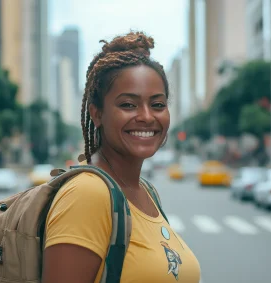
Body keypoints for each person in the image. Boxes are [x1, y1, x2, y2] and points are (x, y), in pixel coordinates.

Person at [42, 31, 200, 282]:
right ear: (97, 114)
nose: (147, 116)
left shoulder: (147, 192)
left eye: (157, 104)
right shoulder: (87, 194)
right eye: (128, 104)